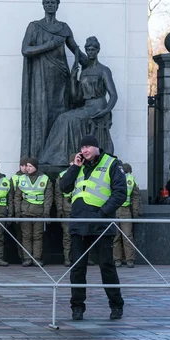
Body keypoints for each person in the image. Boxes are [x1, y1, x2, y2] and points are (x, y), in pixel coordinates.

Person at [59, 135, 126, 321]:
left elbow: (121, 192)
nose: (85, 150)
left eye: (88, 146)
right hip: (78, 224)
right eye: (82, 147)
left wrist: (103, 213)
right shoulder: (78, 165)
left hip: (101, 224)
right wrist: (75, 166)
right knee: (77, 268)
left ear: (97, 147)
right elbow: (63, 187)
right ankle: (77, 307)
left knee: (107, 266)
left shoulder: (112, 163)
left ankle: (116, 305)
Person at [21, 0, 87, 160]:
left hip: (60, 79)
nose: (50, 5)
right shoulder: (34, 26)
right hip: (40, 79)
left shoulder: (63, 28)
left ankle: (59, 156)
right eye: (47, 2)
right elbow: (25, 50)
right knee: (42, 116)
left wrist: (93, 66)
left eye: (53, 2)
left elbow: (76, 50)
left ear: (58, 5)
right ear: (43, 5)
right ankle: (39, 158)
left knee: (60, 115)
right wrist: (50, 44)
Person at [39, 36, 118, 166]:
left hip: (97, 107)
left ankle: (59, 157)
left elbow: (114, 95)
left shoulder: (104, 70)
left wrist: (105, 111)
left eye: (93, 49)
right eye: (88, 50)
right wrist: (72, 78)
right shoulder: (84, 72)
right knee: (62, 118)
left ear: (98, 50)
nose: (90, 52)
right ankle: (54, 157)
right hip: (86, 107)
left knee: (69, 120)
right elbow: (77, 98)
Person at [14, 157, 53, 267]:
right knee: (26, 236)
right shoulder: (21, 179)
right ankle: (27, 258)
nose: (28, 168)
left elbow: (48, 197)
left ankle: (36, 258)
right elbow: (17, 197)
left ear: (35, 167)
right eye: (27, 166)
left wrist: (46, 212)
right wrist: (17, 211)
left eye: (30, 166)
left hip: (39, 212)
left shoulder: (45, 179)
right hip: (25, 212)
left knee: (37, 236)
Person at [113, 163, 142, 268]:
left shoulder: (112, 177)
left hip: (114, 210)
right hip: (126, 211)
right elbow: (136, 197)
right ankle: (129, 260)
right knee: (127, 236)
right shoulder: (131, 179)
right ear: (130, 171)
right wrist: (135, 212)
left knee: (115, 237)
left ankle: (117, 260)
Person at [55, 153, 76, 267]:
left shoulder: (83, 174)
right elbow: (58, 194)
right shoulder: (62, 175)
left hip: (80, 209)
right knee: (67, 235)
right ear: (69, 163)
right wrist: (59, 209)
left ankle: (82, 257)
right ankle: (67, 258)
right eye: (72, 162)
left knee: (82, 235)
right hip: (67, 209)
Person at [10, 156, 29, 263]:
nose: (25, 168)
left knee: (28, 235)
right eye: (23, 165)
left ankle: (28, 256)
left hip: (28, 209)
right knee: (20, 235)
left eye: (27, 165)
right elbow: (12, 197)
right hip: (18, 210)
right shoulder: (14, 178)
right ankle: (21, 256)